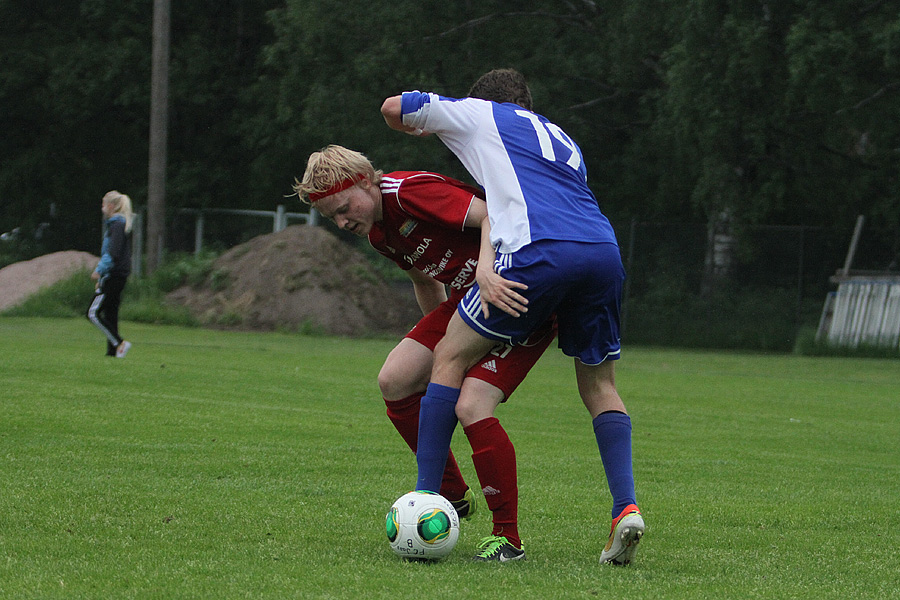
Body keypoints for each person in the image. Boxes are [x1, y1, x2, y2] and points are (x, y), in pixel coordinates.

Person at [381, 68, 645, 565]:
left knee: (449, 357)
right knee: (600, 385)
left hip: (536, 252)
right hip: (602, 252)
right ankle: (624, 506)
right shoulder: (562, 138)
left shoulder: (480, 114)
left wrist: (430, 122)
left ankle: (427, 499)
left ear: (484, 100)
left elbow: (393, 108)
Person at [293, 145, 557, 561]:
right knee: (395, 378)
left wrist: (485, 274)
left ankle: (504, 534)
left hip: (516, 290)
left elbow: (492, 214)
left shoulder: (407, 193)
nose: (342, 222)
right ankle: (450, 494)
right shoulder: (381, 232)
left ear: (366, 180)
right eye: (332, 217)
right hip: (467, 302)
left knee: (472, 405)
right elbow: (424, 280)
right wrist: (447, 339)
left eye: (344, 208)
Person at [86, 190, 133, 358]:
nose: (102, 207)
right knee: (110, 314)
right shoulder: (118, 225)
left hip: (113, 275)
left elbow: (112, 254)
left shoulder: (117, 226)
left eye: (103, 204)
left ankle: (119, 343)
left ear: (111, 206)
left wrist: (100, 271)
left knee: (92, 313)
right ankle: (112, 353)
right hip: (116, 276)